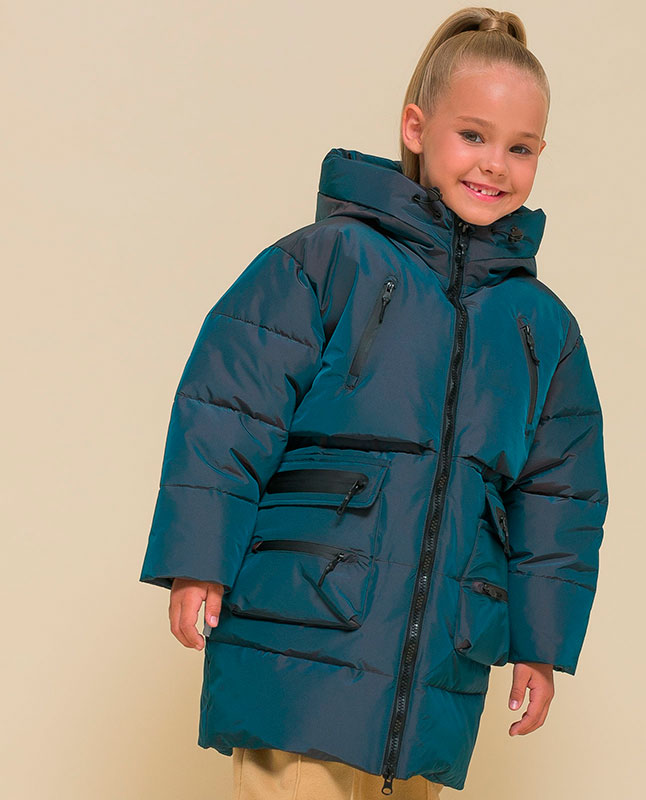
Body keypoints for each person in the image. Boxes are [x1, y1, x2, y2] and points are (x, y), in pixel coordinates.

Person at [140, 6, 609, 798]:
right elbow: (228, 411)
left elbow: (560, 495)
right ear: (415, 128)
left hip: (436, 669)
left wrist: (540, 643)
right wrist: (199, 562)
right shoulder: (327, 262)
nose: (495, 164)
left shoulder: (541, 327)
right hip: (299, 641)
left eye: (521, 147)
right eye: (473, 134)